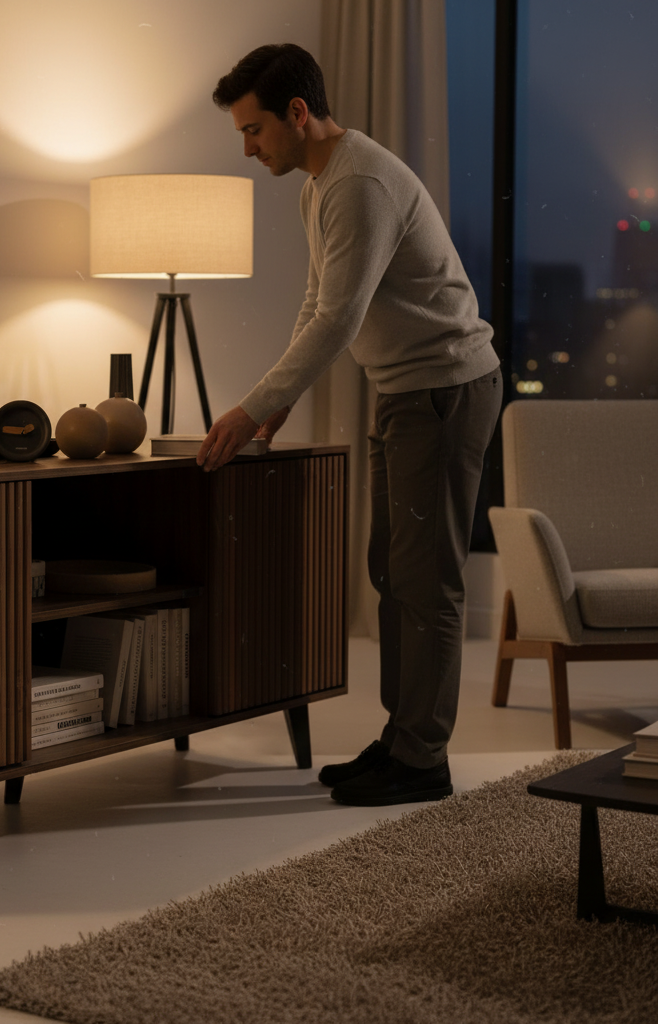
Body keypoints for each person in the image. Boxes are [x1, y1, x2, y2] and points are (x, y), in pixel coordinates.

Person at [199, 43, 501, 807]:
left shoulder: (360, 182)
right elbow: (317, 300)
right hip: (402, 390)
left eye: (254, 130)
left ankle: (422, 759)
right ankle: (401, 739)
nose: (248, 147)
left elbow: (340, 316)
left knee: (426, 582)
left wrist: (252, 405)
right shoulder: (319, 181)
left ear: (298, 114)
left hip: (442, 391)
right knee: (390, 571)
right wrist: (282, 396)